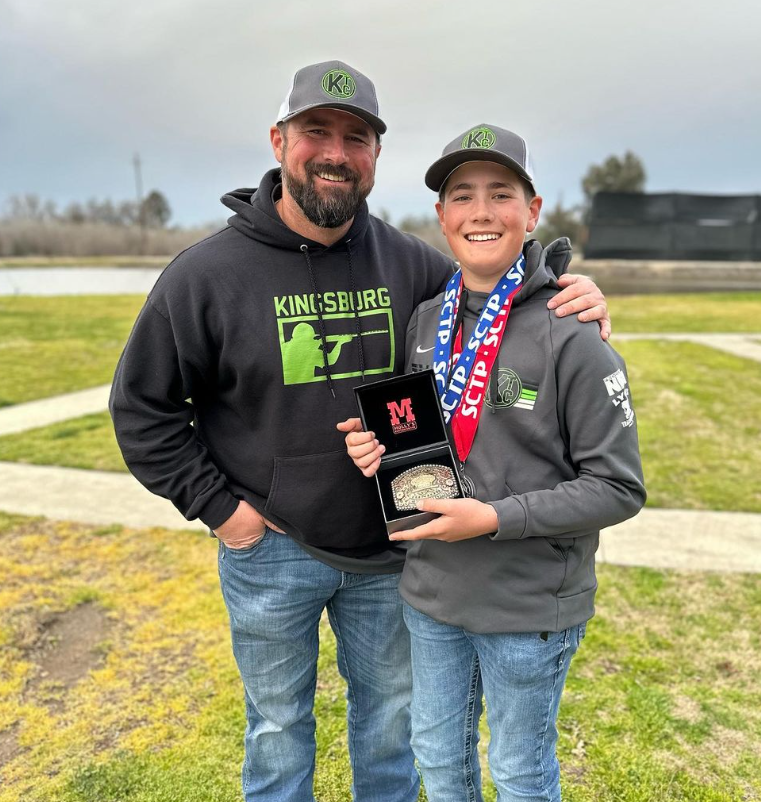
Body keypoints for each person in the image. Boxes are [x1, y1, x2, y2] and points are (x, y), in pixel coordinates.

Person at [109, 60, 611, 802]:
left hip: (389, 555)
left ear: (377, 156)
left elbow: (500, 297)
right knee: (278, 731)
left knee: (391, 730)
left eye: (358, 137)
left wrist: (576, 296)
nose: (337, 152)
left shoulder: (413, 265)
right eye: (318, 131)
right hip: (270, 549)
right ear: (280, 141)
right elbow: (143, 409)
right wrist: (226, 513)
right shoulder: (205, 276)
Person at [343, 124, 645, 801]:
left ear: (532, 212)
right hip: (431, 598)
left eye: (501, 194)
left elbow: (618, 488)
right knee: (440, 762)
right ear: (441, 217)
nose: (481, 212)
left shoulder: (574, 333)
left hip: (527, 609)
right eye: (462, 196)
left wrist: (493, 519)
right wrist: (378, 450)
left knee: (518, 773)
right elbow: (422, 435)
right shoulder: (427, 322)